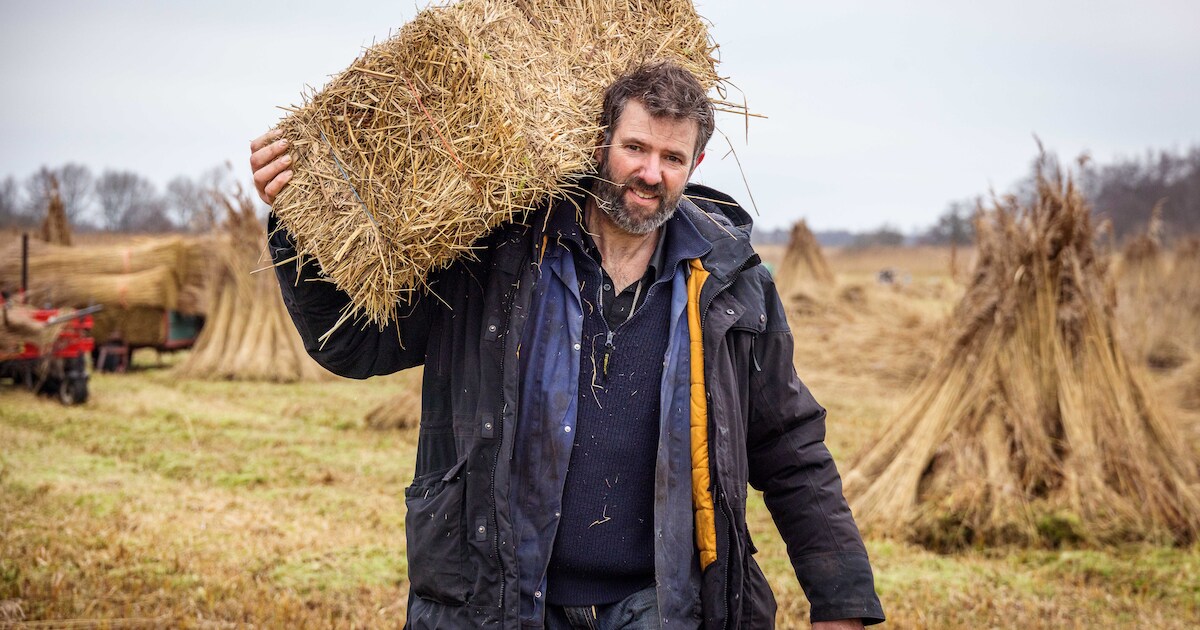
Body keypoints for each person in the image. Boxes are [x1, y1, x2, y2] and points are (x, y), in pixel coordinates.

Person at [251, 62, 884, 629]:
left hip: (663, 606)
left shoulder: (729, 284)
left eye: (672, 158)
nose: (650, 173)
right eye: (635, 147)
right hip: (505, 598)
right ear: (601, 142)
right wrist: (300, 224)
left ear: (694, 165)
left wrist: (842, 602)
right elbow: (354, 345)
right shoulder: (494, 256)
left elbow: (790, 447)